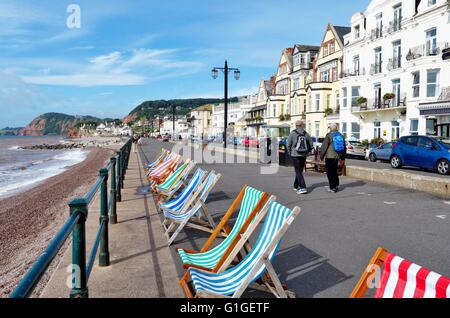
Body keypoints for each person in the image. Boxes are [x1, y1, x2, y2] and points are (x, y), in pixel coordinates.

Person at [287, 121, 313, 194]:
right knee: (299, 171)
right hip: (303, 155)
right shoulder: (305, 133)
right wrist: (309, 152)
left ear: (296, 126)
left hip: (295, 155)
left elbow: (288, 144)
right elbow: (310, 143)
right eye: (303, 125)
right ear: (301, 125)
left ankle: (303, 187)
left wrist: (290, 153)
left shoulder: (292, 133)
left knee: (298, 171)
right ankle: (296, 186)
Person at [320, 124, 346, 193]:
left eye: (329, 128)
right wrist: (342, 157)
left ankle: (332, 187)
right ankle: (336, 184)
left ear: (331, 129)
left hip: (329, 156)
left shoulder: (329, 135)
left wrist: (321, 156)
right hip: (337, 156)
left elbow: (324, 146)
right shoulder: (341, 135)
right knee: (334, 171)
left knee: (329, 172)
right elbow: (344, 147)